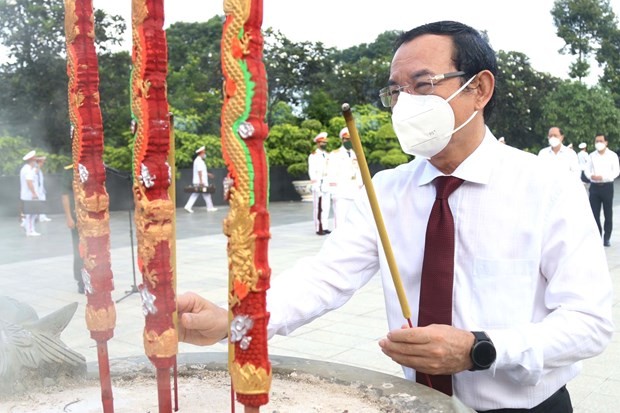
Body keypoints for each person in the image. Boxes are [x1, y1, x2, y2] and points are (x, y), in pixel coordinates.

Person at [176, 21, 613, 412]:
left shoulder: (547, 187)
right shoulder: (385, 190)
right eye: (396, 91)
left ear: (479, 89)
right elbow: (324, 278)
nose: (405, 103)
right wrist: (235, 320)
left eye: (423, 85)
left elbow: (589, 322)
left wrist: (479, 348)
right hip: (419, 403)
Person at [584, 134, 619, 247]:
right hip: (594, 187)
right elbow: (586, 170)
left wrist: (603, 177)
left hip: (607, 186)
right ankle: (597, 236)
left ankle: (607, 238)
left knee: (608, 213)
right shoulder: (591, 156)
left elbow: (616, 171)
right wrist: (591, 176)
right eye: (596, 141)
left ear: (606, 142)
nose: (598, 143)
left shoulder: (612, 155)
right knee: (594, 214)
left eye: (601, 141)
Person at [326, 127, 363, 228]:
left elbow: (358, 172)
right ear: (342, 140)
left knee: (353, 219)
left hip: (354, 191)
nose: (349, 141)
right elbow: (331, 173)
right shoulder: (335, 154)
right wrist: (334, 192)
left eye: (350, 139)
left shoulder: (355, 153)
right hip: (341, 192)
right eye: (346, 139)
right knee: (340, 220)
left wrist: (360, 188)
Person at [61, 164, 85, 294]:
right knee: (79, 248)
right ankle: (81, 281)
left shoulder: (92, 166)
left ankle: (95, 277)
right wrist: (69, 217)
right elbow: (65, 195)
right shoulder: (69, 170)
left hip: (91, 216)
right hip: (77, 217)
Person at [308, 131, 332, 235]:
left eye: (325, 142)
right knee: (318, 207)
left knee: (326, 206)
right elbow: (312, 170)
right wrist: (314, 184)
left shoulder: (327, 155)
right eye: (322, 142)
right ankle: (319, 228)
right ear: (317, 143)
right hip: (318, 183)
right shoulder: (313, 155)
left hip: (326, 183)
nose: (324, 144)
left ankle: (325, 226)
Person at [184, 146, 217, 213]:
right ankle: (209, 207)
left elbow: (202, 171)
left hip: (200, 180)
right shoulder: (198, 161)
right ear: (201, 153)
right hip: (201, 181)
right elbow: (199, 172)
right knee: (205, 193)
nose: (205, 154)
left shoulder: (199, 161)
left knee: (201, 194)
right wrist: (201, 181)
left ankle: (209, 207)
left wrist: (208, 174)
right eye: (204, 152)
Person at [19, 150, 41, 237]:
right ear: (32, 159)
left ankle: (28, 227)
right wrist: (34, 193)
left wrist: (39, 164)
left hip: (28, 195)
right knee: (31, 214)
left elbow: (35, 172)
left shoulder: (27, 168)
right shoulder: (28, 169)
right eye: (35, 157)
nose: (36, 158)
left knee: (32, 213)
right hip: (29, 195)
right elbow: (29, 182)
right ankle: (30, 230)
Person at [35, 155, 52, 222]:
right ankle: (35, 217)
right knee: (36, 203)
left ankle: (42, 216)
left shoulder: (39, 169)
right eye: (42, 162)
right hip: (36, 190)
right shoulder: (34, 168)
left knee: (42, 202)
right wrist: (40, 160)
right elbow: (35, 172)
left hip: (40, 189)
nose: (43, 163)